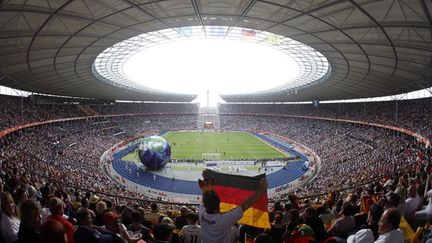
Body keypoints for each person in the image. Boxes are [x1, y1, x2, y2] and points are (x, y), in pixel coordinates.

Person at [198, 170, 268, 243]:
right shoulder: (224, 220)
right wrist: (262, 189)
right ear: (219, 205)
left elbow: (205, 197)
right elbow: (245, 205)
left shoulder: (202, 213)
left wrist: (208, 186)